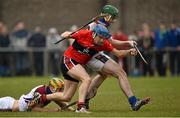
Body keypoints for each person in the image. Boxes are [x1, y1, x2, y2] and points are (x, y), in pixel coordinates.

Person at [34, 24, 138, 113]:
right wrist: (67, 35)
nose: (102, 40)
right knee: (86, 79)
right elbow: (64, 33)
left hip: (76, 65)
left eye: (104, 38)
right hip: (68, 61)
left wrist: (129, 51)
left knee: (66, 97)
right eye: (100, 37)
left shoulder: (103, 43)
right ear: (94, 34)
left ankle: (42, 97)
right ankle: (81, 107)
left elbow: (118, 53)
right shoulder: (83, 34)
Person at [84, 5, 150, 111]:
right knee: (120, 72)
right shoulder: (100, 26)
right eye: (113, 18)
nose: (114, 20)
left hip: (93, 54)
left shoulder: (98, 23)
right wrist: (129, 42)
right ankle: (133, 102)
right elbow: (114, 43)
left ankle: (85, 100)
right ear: (107, 16)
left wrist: (128, 48)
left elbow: (115, 48)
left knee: (103, 75)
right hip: (92, 55)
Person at [0, 78, 73, 112]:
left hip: (13, 102)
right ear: (52, 88)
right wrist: (52, 110)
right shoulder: (41, 92)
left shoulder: (50, 93)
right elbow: (32, 108)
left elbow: (61, 104)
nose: (61, 91)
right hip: (8, 106)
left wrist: (72, 111)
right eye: (60, 89)